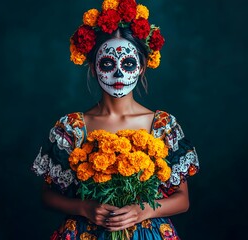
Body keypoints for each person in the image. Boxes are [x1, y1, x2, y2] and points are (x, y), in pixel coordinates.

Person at [32, 0, 199, 239]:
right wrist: (83, 208)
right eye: (107, 64)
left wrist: (142, 211)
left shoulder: (163, 127)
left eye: (128, 63)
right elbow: (47, 195)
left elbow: (182, 200)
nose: (118, 73)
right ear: (93, 67)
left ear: (141, 67)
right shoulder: (70, 128)